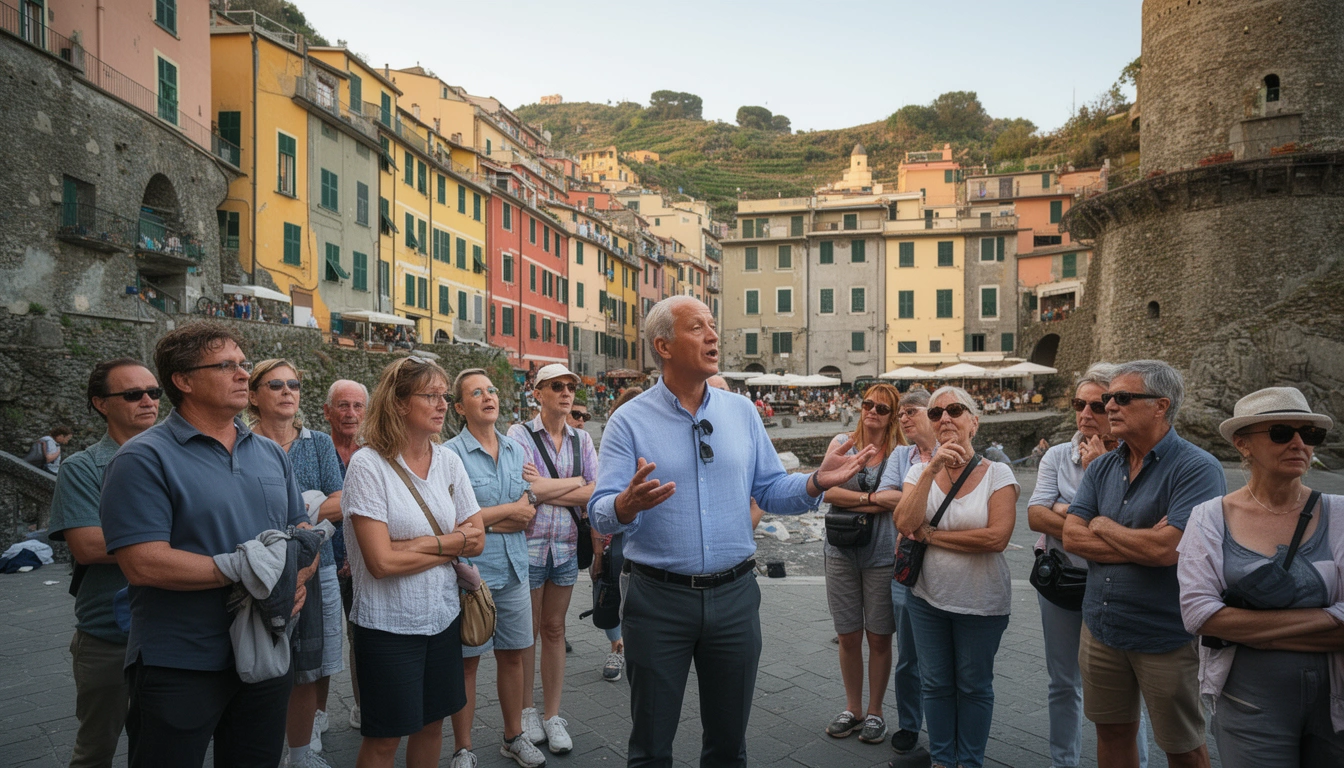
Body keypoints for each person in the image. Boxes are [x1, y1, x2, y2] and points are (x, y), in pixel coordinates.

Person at [590, 296, 875, 768]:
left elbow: (769, 489)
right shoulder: (629, 420)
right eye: (697, 327)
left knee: (728, 745)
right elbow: (600, 511)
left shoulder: (741, 413)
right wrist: (624, 505)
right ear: (663, 344)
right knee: (651, 746)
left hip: (736, 598)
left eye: (713, 325)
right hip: (657, 601)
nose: (713, 335)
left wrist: (815, 481)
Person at [99, 324, 314, 767]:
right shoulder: (143, 458)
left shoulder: (270, 452)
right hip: (181, 660)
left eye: (243, 364)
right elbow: (144, 564)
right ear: (183, 380)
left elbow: (301, 532)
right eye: (226, 366)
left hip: (266, 653)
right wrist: (250, 571)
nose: (242, 375)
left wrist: (296, 578)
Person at [1063, 360, 1226, 768]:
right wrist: (1144, 541)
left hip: (1164, 633)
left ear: (1160, 406)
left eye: (1122, 398)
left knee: (1183, 745)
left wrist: (1102, 525)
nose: (1109, 406)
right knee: (1112, 732)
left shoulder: (1197, 468)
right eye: (1107, 399)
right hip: (1101, 626)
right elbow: (1071, 536)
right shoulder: (1102, 466)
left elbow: (1169, 551)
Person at [1178, 387, 1344, 767]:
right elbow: (1199, 616)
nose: (1299, 443)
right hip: (1249, 703)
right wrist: (1329, 619)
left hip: (1336, 704)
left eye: (1310, 434)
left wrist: (1255, 634)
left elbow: (1221, 624)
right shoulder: (1209, 517)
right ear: (1243, 444)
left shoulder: (1340, 514)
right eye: (1282, 432)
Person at [342, 355, 485, 768]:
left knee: (431, 726)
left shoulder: (449, 461)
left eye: (445, 396)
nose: (443, 404)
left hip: (441, 617)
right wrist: (447, 542)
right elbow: (380, 563)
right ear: (400, 402)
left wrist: (414, 545)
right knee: (384, 740)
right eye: (431, 396)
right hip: (388, 625)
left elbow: (475, 541)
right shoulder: (368, 465)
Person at [1028, 364, 1150, 768]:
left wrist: (1072, 505)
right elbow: (1035, 516)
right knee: (1062, 681)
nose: (1085, 414)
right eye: (1079, 403)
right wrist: (1097, 526)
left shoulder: (1136, 460)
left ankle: (1140, 761)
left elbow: (1140, 526)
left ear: (1117, 407)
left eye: (1096, 405)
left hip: (1118, 586)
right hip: (1063, 580)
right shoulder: (1059, 455)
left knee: (1126, 687)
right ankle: (1063, 761)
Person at [894, 386, 1019, 768]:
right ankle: (943, 760)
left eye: (955, 410)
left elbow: (996, 538)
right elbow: (903, 522)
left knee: (974, 686)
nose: (945, 418)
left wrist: (932, 536)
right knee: (934, 684)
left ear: (974, 422)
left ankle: (970, 761)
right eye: (936, 413)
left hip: (981, 602)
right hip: (926, 598)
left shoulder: (998, 473)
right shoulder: (920, 471)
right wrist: (933, 469)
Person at [47, 359, 160, 768]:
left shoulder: (180, 459)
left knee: (161, 745)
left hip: (170, 631)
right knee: (96, 748)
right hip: (108, 635)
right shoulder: (83, 468)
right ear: (100, 403)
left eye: (154, 392)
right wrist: (168, 541)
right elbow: (87, 545)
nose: (148, 401)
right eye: (133, 394)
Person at [445, 368, 547, 768]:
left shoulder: (516, 450)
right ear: (459, 407)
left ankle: (513, 737)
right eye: (475, 393)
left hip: (515, 569)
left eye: (491, 390)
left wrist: (490, 517)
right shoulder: (450, 454)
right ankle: (463, 748)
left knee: (513, 657)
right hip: (472, 575)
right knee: (467, 662)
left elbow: (529, 516)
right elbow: (459, 523)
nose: (488, 396)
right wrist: (508, 512)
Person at [247, 359, 344, 768]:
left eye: (294, 384)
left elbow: (341, 499)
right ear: (253, 396)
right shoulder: (239, 444)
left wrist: (307, 508)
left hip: (313, 563)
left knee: (310, 662)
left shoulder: (317, 443)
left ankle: (303, 749)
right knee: (258, 660)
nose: (288, 391)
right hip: (259, 567)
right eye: (276, 385)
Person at [507, 364, 598, 754]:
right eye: (557, 386)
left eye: (571, 387)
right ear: (538, 392)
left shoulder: (583, 440)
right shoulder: (518, 434)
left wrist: (548, 490)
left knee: (555, 629)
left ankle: (552, 714)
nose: (566, 392)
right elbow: (523, 487)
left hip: (564, 547)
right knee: (526, 631)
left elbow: (595, 491)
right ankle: (526, 711)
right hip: (527, 545)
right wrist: (575, 483)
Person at [822, 383, 903, 745]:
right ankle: (852, 708)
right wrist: (873, 499)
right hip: (840, 550)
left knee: (880, 636)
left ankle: (876, 711)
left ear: (892, 416)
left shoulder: (900, 453)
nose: (872, 411)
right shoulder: (842, 443)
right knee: (848, 634)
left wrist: (855, 497)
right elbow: (827, 489)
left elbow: (898, 499)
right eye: (868, 404)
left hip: (883, 552)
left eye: (882, 408)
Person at [872, 387, 936, 756]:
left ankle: (948, 728)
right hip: (907, 563)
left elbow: (900, 498)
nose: (904, 418)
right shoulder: (900, 454)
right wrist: (928, 490)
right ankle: (910, 723)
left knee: (944, 656)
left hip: (948, 565)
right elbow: (883, 495)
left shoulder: (953, 452)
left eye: (912, 411)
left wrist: (910, 494)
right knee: (909, 654)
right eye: (902, 414)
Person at [323, 379, 368, 729]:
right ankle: (315, 717)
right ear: (327, 411)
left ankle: (361, 704)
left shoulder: (374, 452)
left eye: (357, 406)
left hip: (361, 563)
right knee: (319, 642)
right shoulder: (317, 449)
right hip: (320, 561)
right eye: (343, 405)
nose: (350, 413)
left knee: (361, 638)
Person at [591, 387, 641, 683]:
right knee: (610, 593)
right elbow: (597, 499)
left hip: (641, 537)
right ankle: (617, 647)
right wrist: (598, 554)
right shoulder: (614, 448)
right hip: (613, 537)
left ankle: (634, 647)